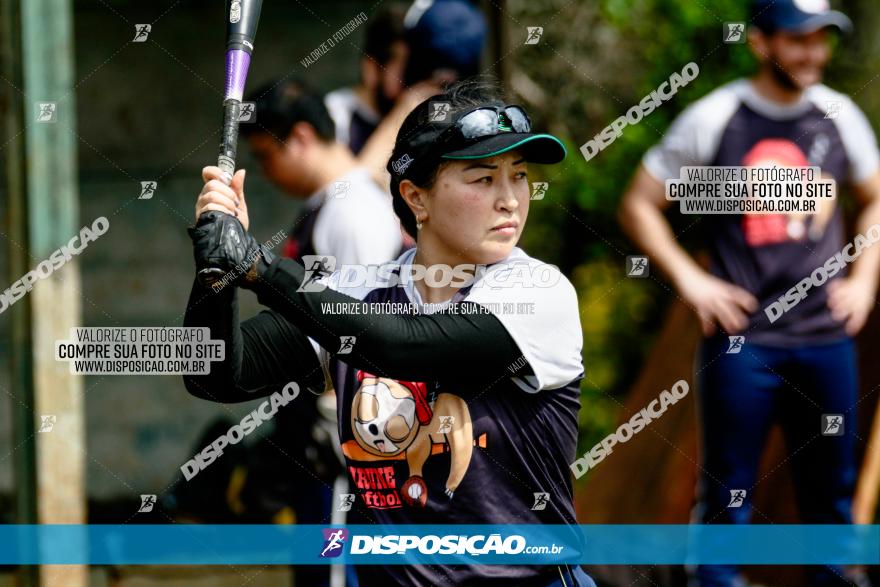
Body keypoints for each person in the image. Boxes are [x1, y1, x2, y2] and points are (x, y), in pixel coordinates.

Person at [184, 80, 596, 586]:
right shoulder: (358, 291)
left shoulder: (537, 291)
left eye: (519, 176)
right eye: (483, 179)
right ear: (415, 197)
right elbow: (216, 374)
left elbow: (402, 345)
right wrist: (215, 273)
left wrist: (260, 268)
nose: (510, 199)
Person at [618, 1, 880, 585]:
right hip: (744, 344)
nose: (813, 53)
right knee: (725, 497)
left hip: (826, 338)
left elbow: (875, 197)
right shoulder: (717, 118)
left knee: (831, 500)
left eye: (822, 40)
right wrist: (692, 281)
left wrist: (863, 280)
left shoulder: (840, 116)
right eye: (798, 40)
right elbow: (639, 203)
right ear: (760, 43)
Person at [241, 78, 405, 265]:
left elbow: (361, 294)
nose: (264, 172)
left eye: (264, 156)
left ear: (301, 137)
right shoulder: (333, 201)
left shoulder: (351, 211)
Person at [324, 4, 408, 154]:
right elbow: (344, 176)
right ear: (371, 68)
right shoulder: (337, 113)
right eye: (403, 66)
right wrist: (402, 111)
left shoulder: (425, 112)